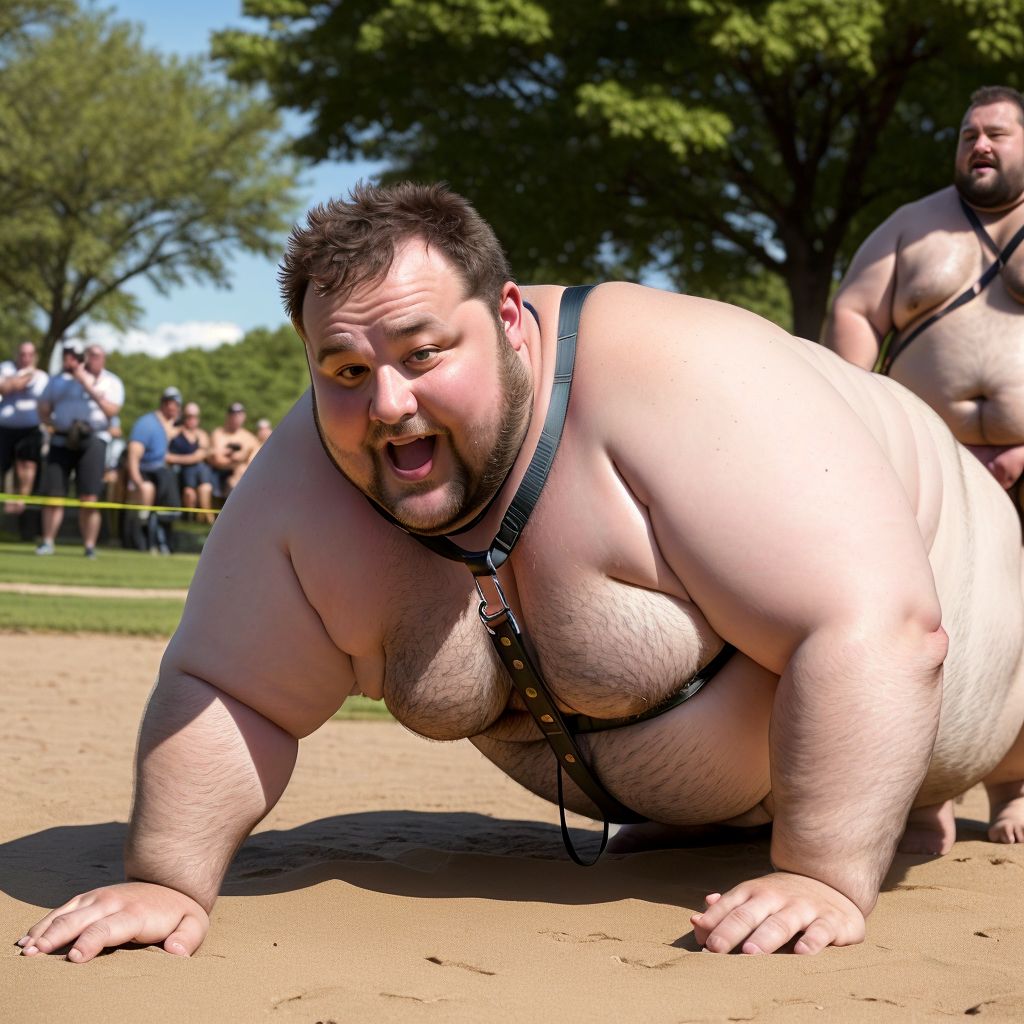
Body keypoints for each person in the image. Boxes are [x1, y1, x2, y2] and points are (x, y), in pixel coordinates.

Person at [18, 183, 1024, 965]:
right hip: (718, 790)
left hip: (962, 598)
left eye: (423, 351)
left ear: (505, 317)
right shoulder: (308, 482)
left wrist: (825, 877)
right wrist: (168, 883)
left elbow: (880, 626)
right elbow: (228, 692)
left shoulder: (686, 377)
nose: (388, 404)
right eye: (346, 371)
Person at [825, 85, 1024, 525]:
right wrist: (855, 425)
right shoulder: (908, 225)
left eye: (996, 133)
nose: (980, 144)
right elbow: (853, 312)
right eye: (968, 136)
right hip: (927, 467)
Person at [35, 341, 124, 557]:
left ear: (103, 359)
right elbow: (43, 407)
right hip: (62, 438)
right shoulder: (59, 380)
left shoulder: (111, 382)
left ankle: (89, 546)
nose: (91, 358)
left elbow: (111, 411)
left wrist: (86, 384)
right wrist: (51, 424)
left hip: (93, 438)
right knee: (54, 494)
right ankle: (47, 542)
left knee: (89, 496)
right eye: (88, 354)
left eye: (96, 355)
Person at [125, 387, 183, 554]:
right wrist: (138, 483)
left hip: (161, 473)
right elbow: (133, 456)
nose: (176, 409)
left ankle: (162, 540)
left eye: (178, 405)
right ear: (165, 404)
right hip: (146, 472)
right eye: (173, 404)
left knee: (167, 498)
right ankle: (141, 541)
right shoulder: (146, 424)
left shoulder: (166, 425)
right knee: (148, 491)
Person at [0, 341, 48, 514]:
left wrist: (13, 382)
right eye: (22, 354)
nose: (25, 358)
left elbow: (43, 400)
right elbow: (3, 389)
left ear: (34, 356)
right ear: (17, 354)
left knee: (27, 465)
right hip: (5, 428)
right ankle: (6, 502)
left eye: (29, 354)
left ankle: (22, 502)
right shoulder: (5, 367)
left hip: (30, 429)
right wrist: (25, 378)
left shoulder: (42, 376)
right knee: (4, 467)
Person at [166, 401, 215, 524]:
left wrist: (175, 458)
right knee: (189, 494)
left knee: (205, 488)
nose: (191, 420)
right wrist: (190, 458)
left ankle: (208, 521)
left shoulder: (202, 435)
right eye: (188, 416)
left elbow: (200, 456)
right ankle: (189, 521)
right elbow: (164, 453)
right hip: (182, 473)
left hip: (199, 471)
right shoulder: (174, 432)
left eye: (194, 416)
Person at [207, 401, 257, 498]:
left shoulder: (250, 438)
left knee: (239, 475)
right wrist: (240, 459)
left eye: (239, 414)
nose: (236, 417)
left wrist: (235, 458)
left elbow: (252, 463)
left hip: (240, 478)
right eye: (233, 414)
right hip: (217, 475)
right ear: (228, 416)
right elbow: (218, 460)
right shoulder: (218, 434)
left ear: (244, 416)